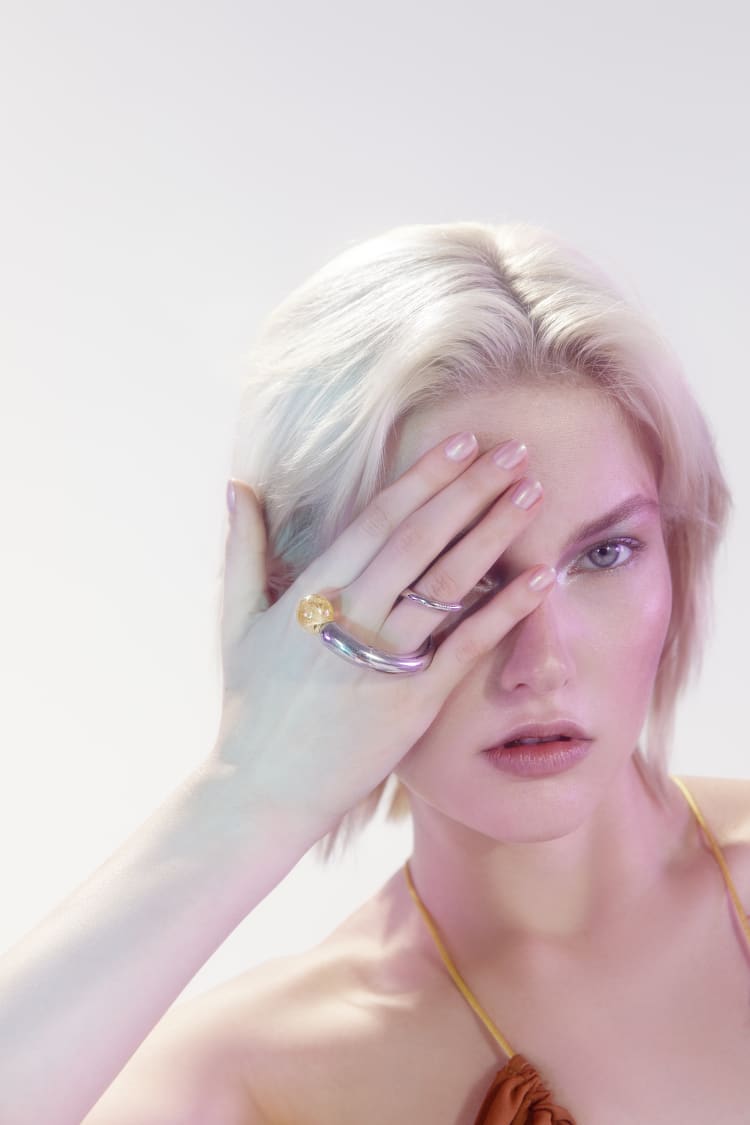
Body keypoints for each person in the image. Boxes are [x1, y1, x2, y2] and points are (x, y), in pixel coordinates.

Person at [1, 221, 747, 1125]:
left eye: (606, 553)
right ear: (296, 604)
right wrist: (245, 792)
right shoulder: (253, 1077)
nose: (541, 662)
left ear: (677, 555)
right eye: (456, 575)